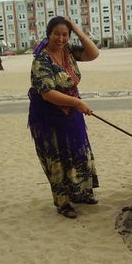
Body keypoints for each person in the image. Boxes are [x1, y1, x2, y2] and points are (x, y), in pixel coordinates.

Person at [28, 16, 100, 219]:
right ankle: (63, 203)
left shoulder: (69, 51)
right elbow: (47, 93)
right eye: (56, 34)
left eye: (64, 34)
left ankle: (82, 193)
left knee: (79, 151)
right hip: (49, 115)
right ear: (48, 34)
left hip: (72, 111)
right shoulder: (41, 59)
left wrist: (75, 28)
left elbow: (94, 54)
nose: (60, 38)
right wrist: (77, 103)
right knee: (58, 159)